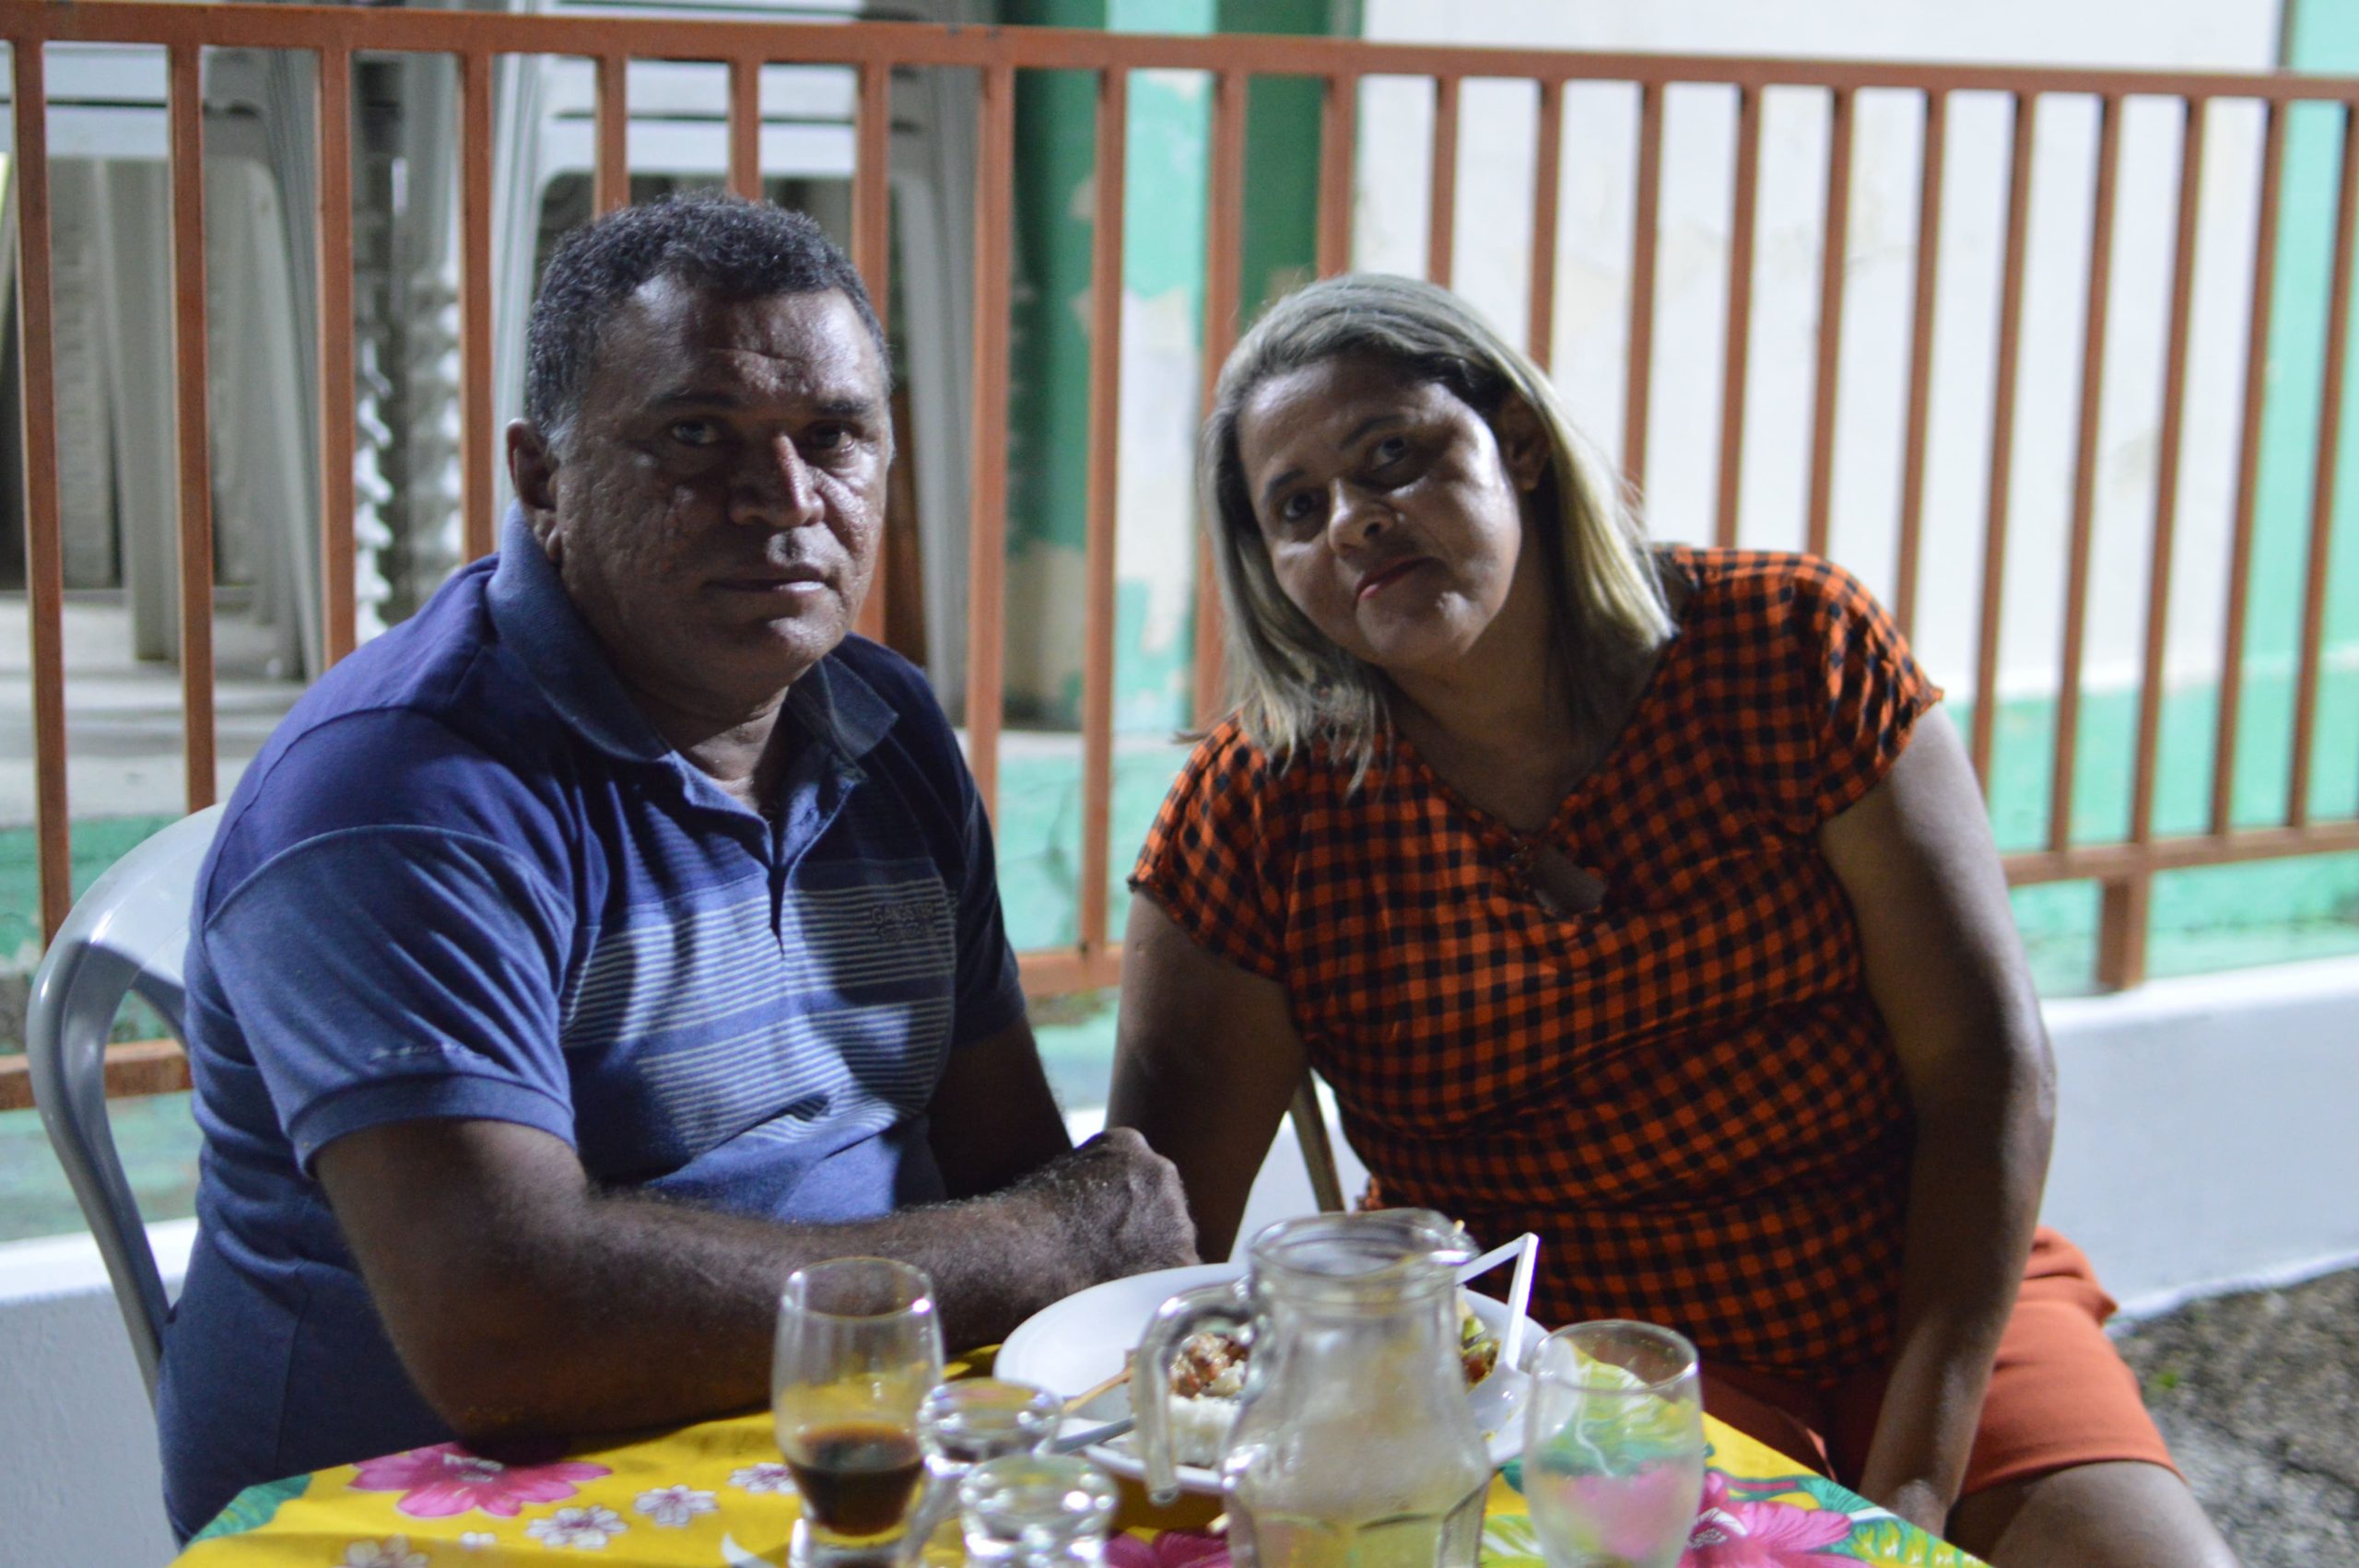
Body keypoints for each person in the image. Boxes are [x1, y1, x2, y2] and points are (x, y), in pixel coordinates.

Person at [1107, 275, 2235, 1566]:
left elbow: (1988, 1069)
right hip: (1576, 1361)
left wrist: (1911, 1494)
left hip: (1921, 1296)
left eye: (1393, 457)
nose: (1356, 520)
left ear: (1517, 442)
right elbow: (1161, 1242)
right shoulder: (1262, 812)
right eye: (1297, 509)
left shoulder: (1789, 649)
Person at [156, 195, 1193, 1541]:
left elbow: (1004, 1157)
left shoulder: (885, 729)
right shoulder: (399, 794)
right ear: (544, 479)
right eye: (699, 435)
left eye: (836, 437)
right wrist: (1053, 1246)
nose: (785, 499)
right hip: (434, 1514)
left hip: (830, 1463)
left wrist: (1053, 1248)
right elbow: (508, 1330)